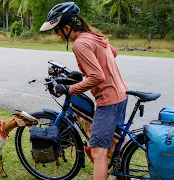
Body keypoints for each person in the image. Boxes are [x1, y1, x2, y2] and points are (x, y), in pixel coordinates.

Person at [40, 2, 128, 180]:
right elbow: (113, 53)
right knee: (113, 145)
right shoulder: (95, 36)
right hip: (121, 96)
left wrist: (69, 88)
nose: (56, 35)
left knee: (98, 153)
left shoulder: (79, 44)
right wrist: (81, 73)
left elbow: (97, 77)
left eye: (56, 31)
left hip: (108, 101)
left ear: (66, 27)